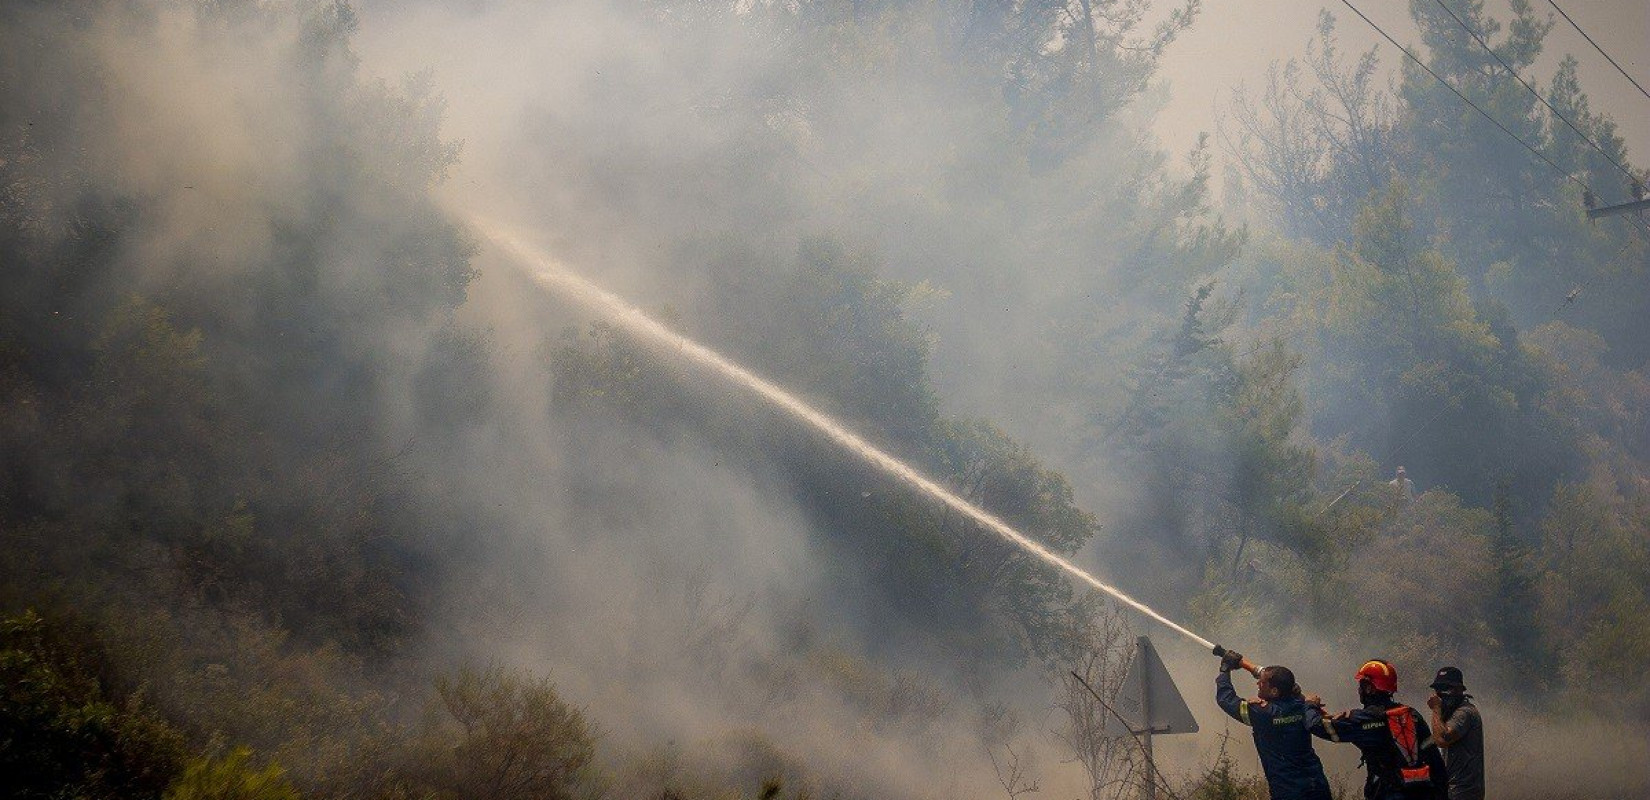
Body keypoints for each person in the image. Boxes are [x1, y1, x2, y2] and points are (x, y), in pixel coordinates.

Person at [1309, 659, 1447, 799]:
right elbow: (1435, 759)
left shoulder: (1365, 718)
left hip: (1387, 792)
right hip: (1422, 792)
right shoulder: (1412, 714)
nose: (1359, 690)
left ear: (1370, 688)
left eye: (1362, 685)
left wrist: (1310, 706)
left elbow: (1319, 726)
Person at [1214, 649, 1333, 800]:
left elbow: (1226, 699)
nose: (1258, 683)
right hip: (1317, 785)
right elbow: (1283, 684)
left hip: (1288, 791)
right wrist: (1245, 665)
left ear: (1275, 691)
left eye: (1262, 683)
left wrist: (1225, 669)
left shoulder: (1263, 713)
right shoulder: (1303, 704)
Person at [1426, 667, 1484, 800]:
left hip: (1462, 791)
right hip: (1453, 790)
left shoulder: (1464, 713)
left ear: (1459, 690)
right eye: (1438, 690)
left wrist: (1436, 709)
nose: (1440, 694)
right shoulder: (1451, 714)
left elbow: (1441, 739)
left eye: (1446, 688)